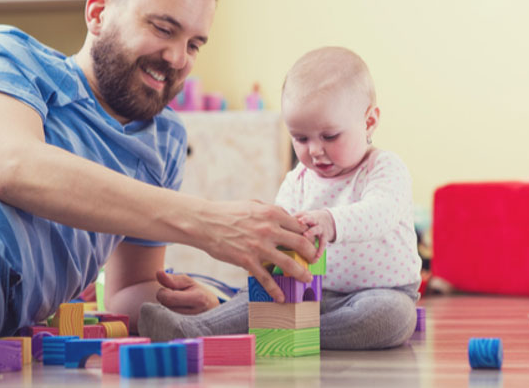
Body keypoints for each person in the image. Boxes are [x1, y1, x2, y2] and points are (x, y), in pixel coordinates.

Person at [0, 0, 317, 386]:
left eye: (194, 44)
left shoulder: (165, 140)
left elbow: (129, 291)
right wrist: (207, 221)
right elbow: (11, 167)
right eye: (163, 28)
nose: (177, 58)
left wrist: (207, 301)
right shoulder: (7, 50)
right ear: (97, 13)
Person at [139, 47, 422, 349]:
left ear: (368, 123)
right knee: (259, 292)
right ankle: (196, 329)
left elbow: (380, 212)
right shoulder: (297, 179)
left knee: (390, 318)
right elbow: (277, 229)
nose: (314, 150)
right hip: (306, 290)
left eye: (329, 136)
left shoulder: (384, 168)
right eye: (301, 138)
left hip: (379, 292)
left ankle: (294, 333)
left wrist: (330, 222)